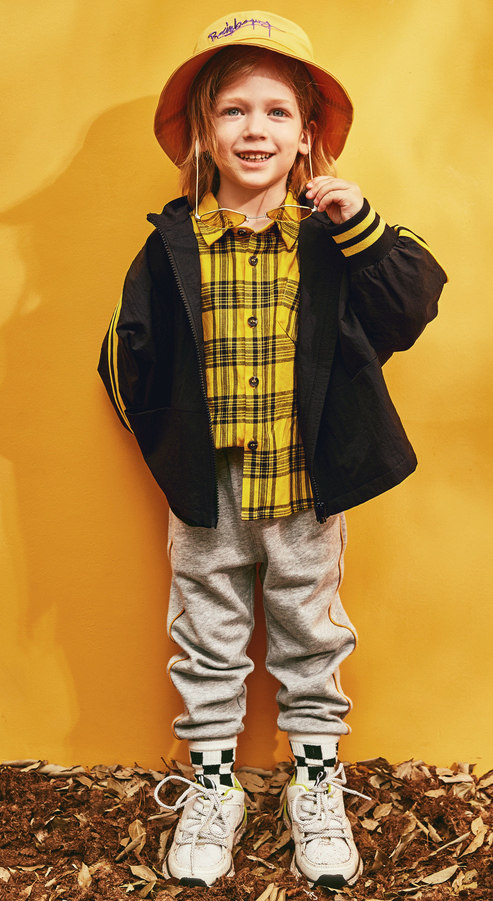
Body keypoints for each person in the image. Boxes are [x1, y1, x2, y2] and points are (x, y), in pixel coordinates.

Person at [98, 9, 447, 890]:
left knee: (311, 638)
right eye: (233, 110)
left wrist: (361, 220)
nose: (255, 129)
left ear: (306, 135)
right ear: (203, 132)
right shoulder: (171, 244)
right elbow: (124, 358)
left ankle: (314, 786)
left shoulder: (333, 240)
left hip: (303, 487)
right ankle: (215, 789)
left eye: (276, 111)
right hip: (207, 492)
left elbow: (412, 301)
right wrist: (172, 450)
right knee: (206, 638)